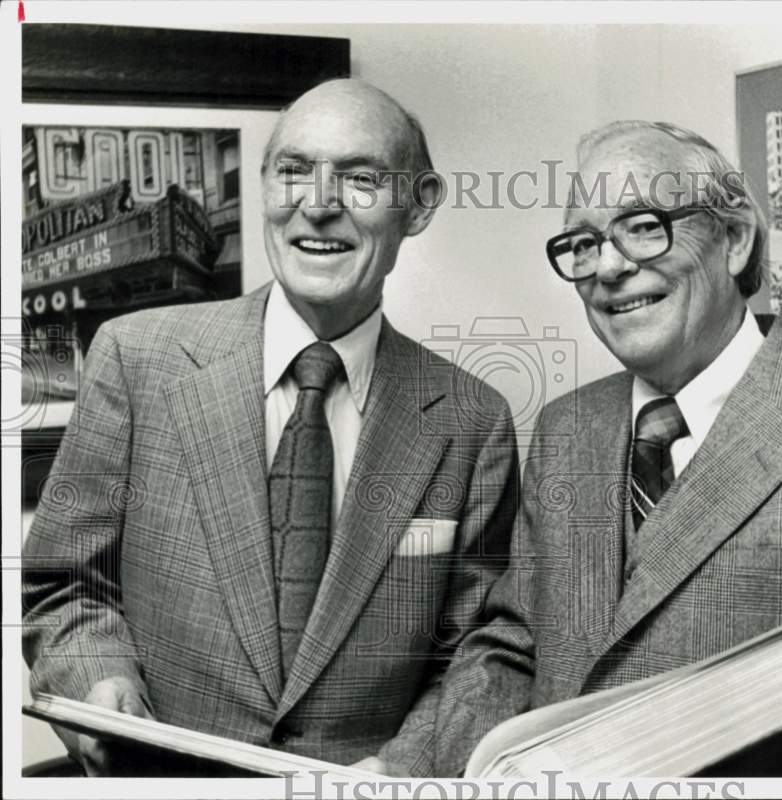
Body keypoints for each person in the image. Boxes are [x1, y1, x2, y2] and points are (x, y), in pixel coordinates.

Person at [430, 120, 782, 778]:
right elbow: (511, 641)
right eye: (584, 243)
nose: (608, 267)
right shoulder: (566, 429)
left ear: (735, 240)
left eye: (644, 226)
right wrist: (467, 769)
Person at [22, 79, 519, 777]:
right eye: (293, 171)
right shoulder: (136, 360)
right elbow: (64, 585)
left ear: (419, 204)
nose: (317, 206)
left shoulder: (472, 422)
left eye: (361, 178)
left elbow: (477, 649)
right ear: (263, 186)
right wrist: (94, 679)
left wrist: (406, 767)